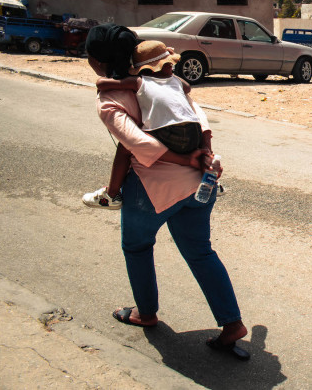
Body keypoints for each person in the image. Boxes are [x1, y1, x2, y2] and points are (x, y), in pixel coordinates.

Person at [84, 24, 249, 359]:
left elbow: (136, 144)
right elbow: (197, 115)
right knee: (201, 252)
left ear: (97, 62)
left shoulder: (111, 97)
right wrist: (203, 153)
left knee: (137, 246)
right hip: (201, 185)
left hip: (153, 189)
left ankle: (145, 313)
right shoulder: (165, 80)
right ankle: (232, 324)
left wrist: (183, 159)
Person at [82, 40, 224, 208]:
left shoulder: (139, 81)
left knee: (126, 146)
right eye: (169, 65)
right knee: (199, 153)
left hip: (168, 131)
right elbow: (188, 88)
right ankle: (211, 182)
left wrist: (127, 77)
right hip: (194, 131)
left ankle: (112, 194)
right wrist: (169, 73)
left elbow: (102, 83)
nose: (172, 67)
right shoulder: (177, 82)